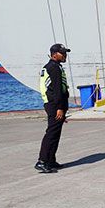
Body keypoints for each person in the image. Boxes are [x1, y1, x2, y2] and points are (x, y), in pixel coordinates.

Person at [35, 44, 71, 173]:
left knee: (55, 134)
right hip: (54, 105)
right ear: (54, 54)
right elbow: (56, 90)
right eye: (62, 53)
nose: (65, 55)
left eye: (65, 52)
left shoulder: (53, 67)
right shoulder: (53, 68)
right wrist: (60, 108)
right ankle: (42, 161)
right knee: (51, 134)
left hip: (54, 104)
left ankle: (51, 160)